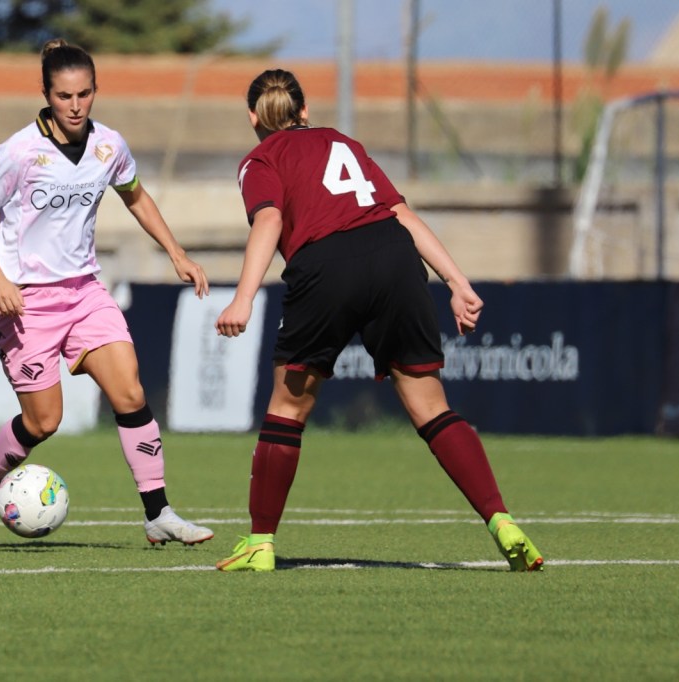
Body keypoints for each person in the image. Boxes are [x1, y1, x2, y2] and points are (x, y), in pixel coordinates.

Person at [213, 69, 543, 572]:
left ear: (253, 117)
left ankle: (260, 542)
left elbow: (270, 219)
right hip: (394, 255)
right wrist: (457, 282)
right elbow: (403, 216)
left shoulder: (259, 159)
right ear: (304, 111)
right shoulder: (346, 143)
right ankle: (501, 519)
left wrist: (243, 297)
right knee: (432, 407)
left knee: (288, 406)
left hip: (325, 264)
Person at [0, 38, 214, 549]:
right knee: (44, 421)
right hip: (26, 302)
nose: (75, 106)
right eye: (63, 96)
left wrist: (177, 253)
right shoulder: (18, 152)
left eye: (84, 94)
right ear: (47, 94)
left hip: (84, 292)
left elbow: (135, 196)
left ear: (95, 90)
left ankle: (157, 511)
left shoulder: (109, 147)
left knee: (131, 393)